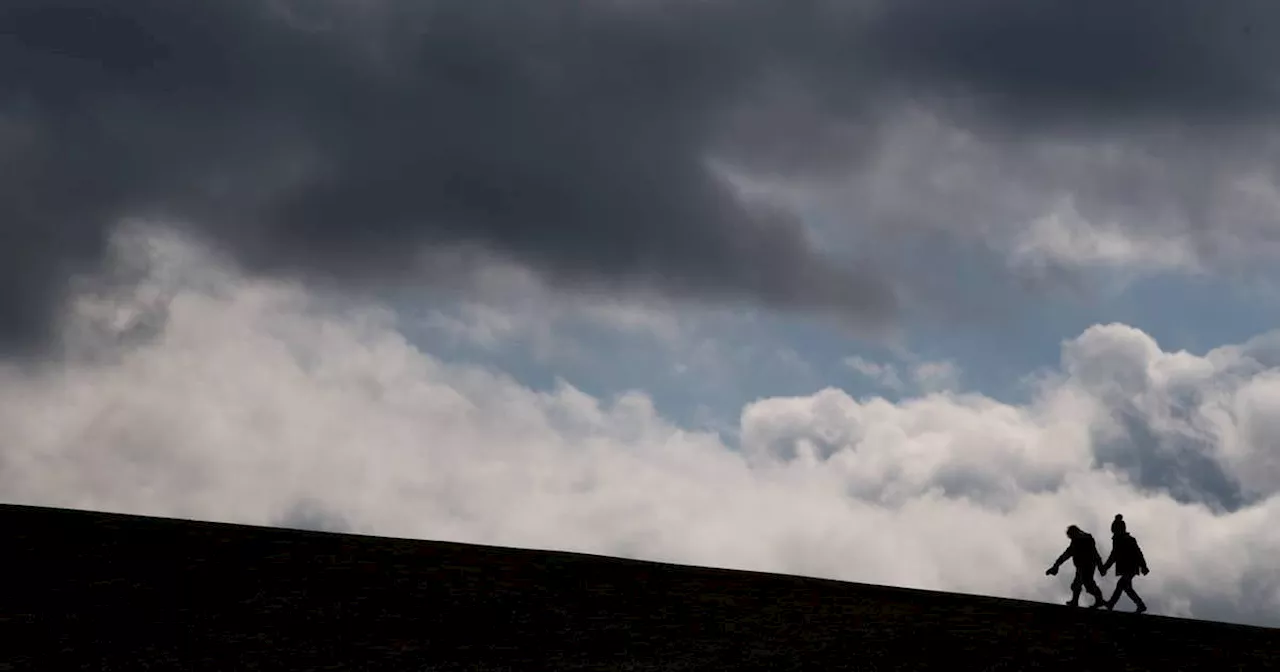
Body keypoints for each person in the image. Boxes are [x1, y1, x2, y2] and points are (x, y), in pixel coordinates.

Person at [1046, 524, 1107, 608]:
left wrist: (1101, 567)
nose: (1071, 538)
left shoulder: (1085, 541)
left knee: (1089, 585)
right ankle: (1075, 601)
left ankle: (1099, 600)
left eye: (1071, 536)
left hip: (1087, 566)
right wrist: (1055, 566)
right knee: (1076, 585)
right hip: (1081, 567)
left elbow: (1095, 554)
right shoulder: (1077, 542)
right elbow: (1066, 555)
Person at [1101, 514, 1149, 613]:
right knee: (1127, 587)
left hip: (1131, 567)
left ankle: (1111, 603)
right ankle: (1140, 605)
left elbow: (1137, 553)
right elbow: (1113, 555)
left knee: (1121, 584)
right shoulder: (1118, 540)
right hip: (1127, 567)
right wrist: (1105, 567)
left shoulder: (1127, 540)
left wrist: (1143, 566)